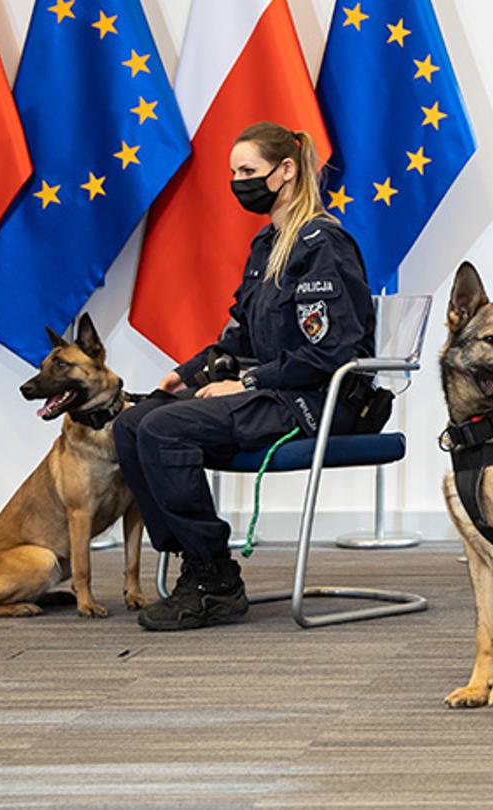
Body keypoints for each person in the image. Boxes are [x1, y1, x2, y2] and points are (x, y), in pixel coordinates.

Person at [115, 122, 375, 632]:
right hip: (275, 393)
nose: (238, 182)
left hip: (316, 400)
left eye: (248, 171)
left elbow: (330, 351)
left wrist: (249, 384)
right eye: (233, 173)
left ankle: (214, 579)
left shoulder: (322, 244)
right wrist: (184, 374)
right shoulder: (267, 244)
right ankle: (197, 562)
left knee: (164, 430)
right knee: (132, 424)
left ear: (286, 171)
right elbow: (242, 336)